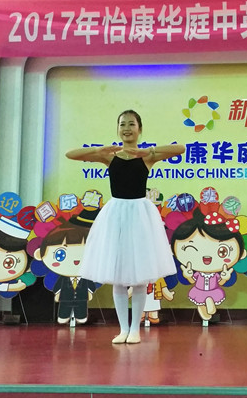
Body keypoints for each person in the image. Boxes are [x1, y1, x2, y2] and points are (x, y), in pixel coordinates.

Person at [66, 109, 185, 344]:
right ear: (117, 129)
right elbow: (71, 154)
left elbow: (180, 148)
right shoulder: (110, 157)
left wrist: (149, 151)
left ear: (140, 129)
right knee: (118, 277)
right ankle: (123, 329)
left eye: (131, 124)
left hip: (140, 216)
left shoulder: (147, 157)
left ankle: (135, 330)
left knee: (140, 278)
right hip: (116, 215)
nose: (127, 129)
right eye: (122, 124)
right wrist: (98, 151)